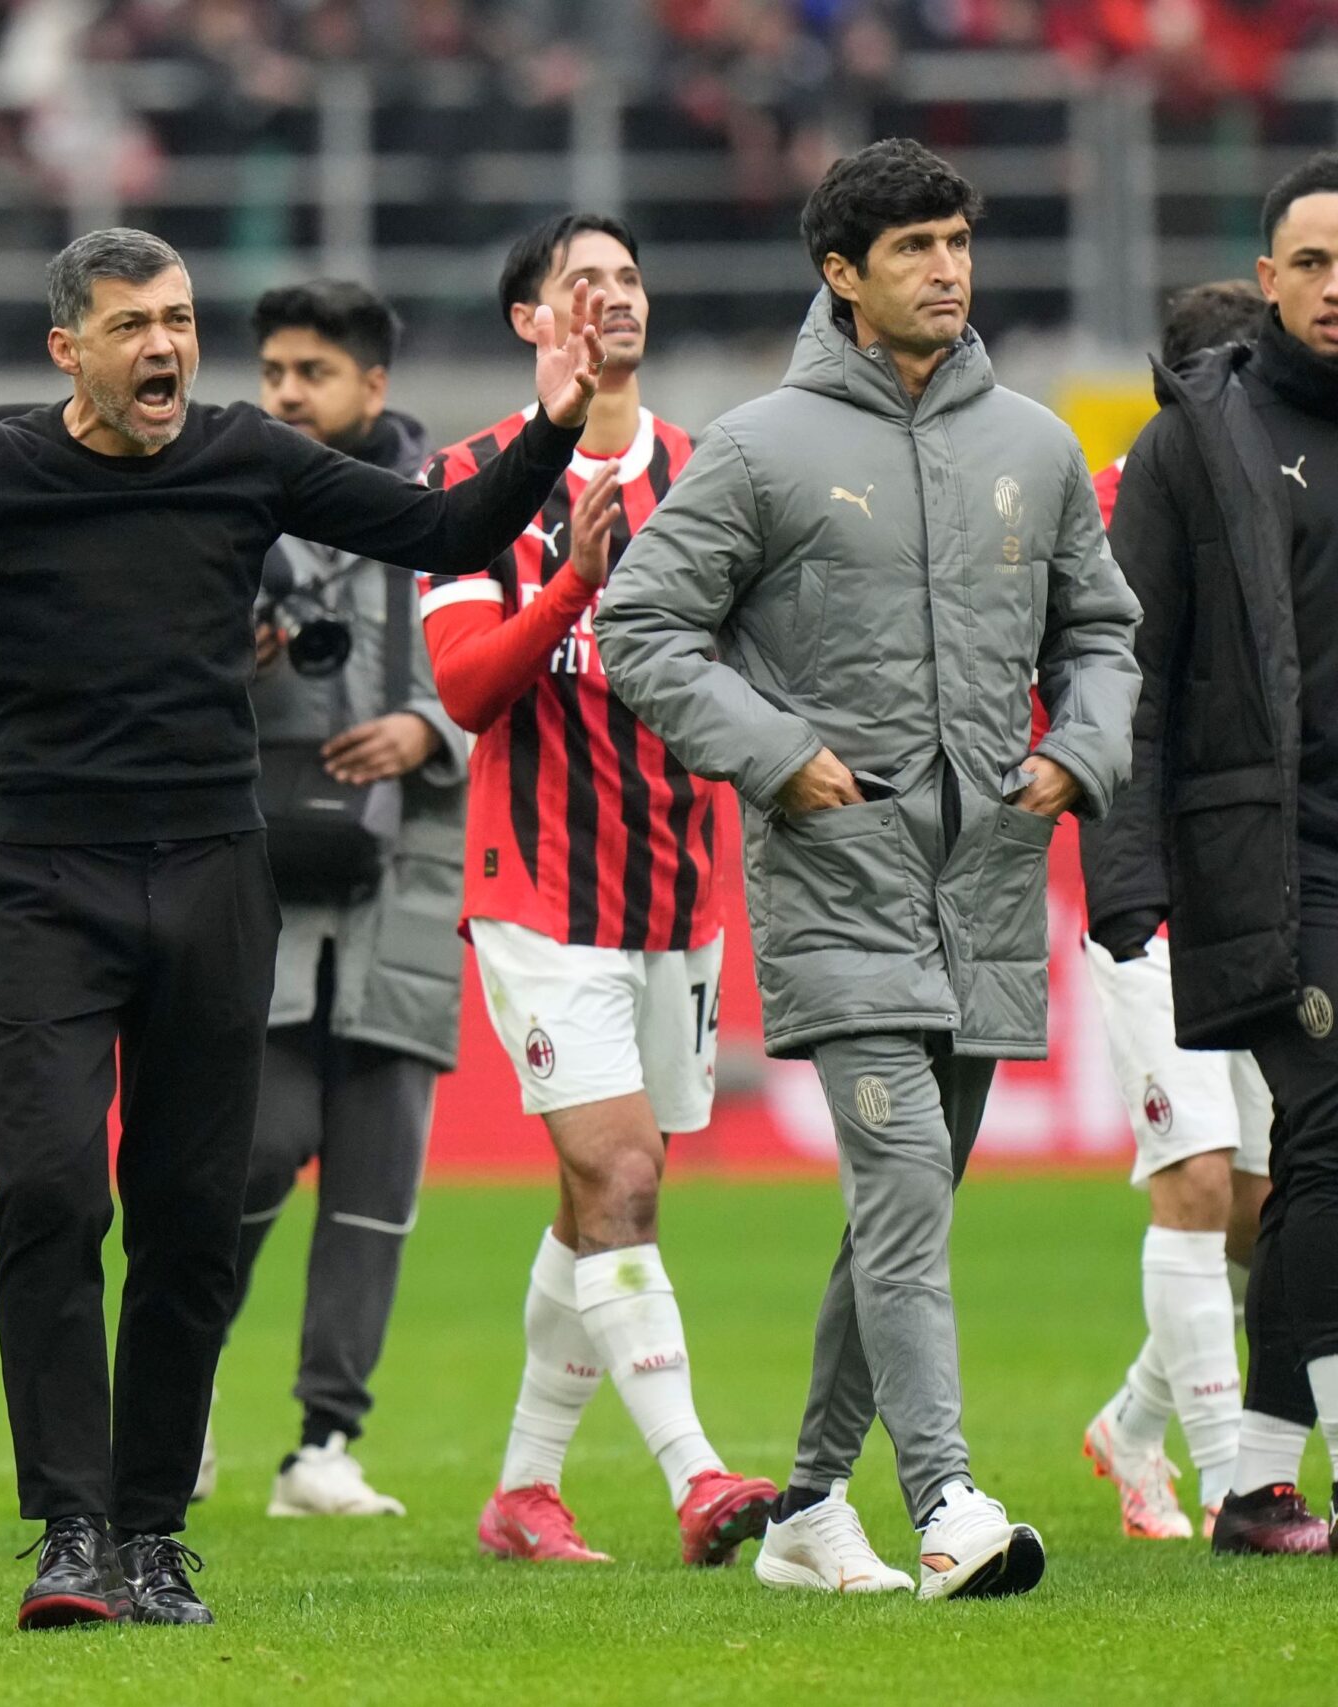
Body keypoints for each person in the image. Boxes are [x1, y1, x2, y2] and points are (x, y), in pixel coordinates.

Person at [0, 226, 599, 1627]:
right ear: (68, 345)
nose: (165, 348)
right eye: (133, 325)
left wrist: (554, 419)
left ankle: (150, 1530)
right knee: (53, 1200)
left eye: (181, 320)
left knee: (189, 1218)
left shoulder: (245, 456)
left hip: (211, 872)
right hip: (39, 879)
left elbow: (445, 529)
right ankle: (71, 1529)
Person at [595, 138, 1139, 1601]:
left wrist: (1081, 751)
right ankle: (946, 1495)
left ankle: (807, 1509)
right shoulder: (760, 445)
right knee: (902, 1179)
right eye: (912, 248)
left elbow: (1103, 632)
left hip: (990, 886)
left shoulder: (1029, 444)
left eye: (957, 240)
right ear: (842, 275)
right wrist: (776, 750)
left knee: (899, 1211)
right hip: (834, 877)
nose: (946, 268)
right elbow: (641, 628)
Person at [423, 212, 776, 1567]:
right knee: (621, 1168)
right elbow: (465, 688)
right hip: (538, 887)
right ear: (533, 321)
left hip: (676, 890)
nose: (615, 298)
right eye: (585, 283)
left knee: (601, 1201)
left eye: (630, 276)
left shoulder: (714, 473)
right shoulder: (470, 480)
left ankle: (523, 1489)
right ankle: (697, 1477)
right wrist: (572, 578)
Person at [1096, 151, 1338, 1557]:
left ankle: (1250, 1479)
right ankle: (1254, 1473)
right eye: (1309, 262)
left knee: (1301, 1162)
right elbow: (1133, 662)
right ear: (1265, 279)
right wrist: (1128, 873)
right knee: (1321, 1128)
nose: (1332, 287)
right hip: (1265, 853)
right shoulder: (1201, 439)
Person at [212, 278, 465, 1519]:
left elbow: (500, 666)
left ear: (373, 386)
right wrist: (224, 654)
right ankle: (182, 1396)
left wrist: (427, 727)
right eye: (269, 374)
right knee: (249, 1149)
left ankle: (323, 1446)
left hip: (406, 878)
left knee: (377, 1181)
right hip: (261, 880)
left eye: (309, 374)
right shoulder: (219, 498)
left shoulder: (454, 509)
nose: (283, 396)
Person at [1075, 278, 1278, 1544]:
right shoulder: (1112, 503)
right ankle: (1230, 1483)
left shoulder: (1286, 499)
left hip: (1262, 882)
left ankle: (1130, 1426)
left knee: (1269, 1205)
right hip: (1146, 882)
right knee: (1194, 1177)